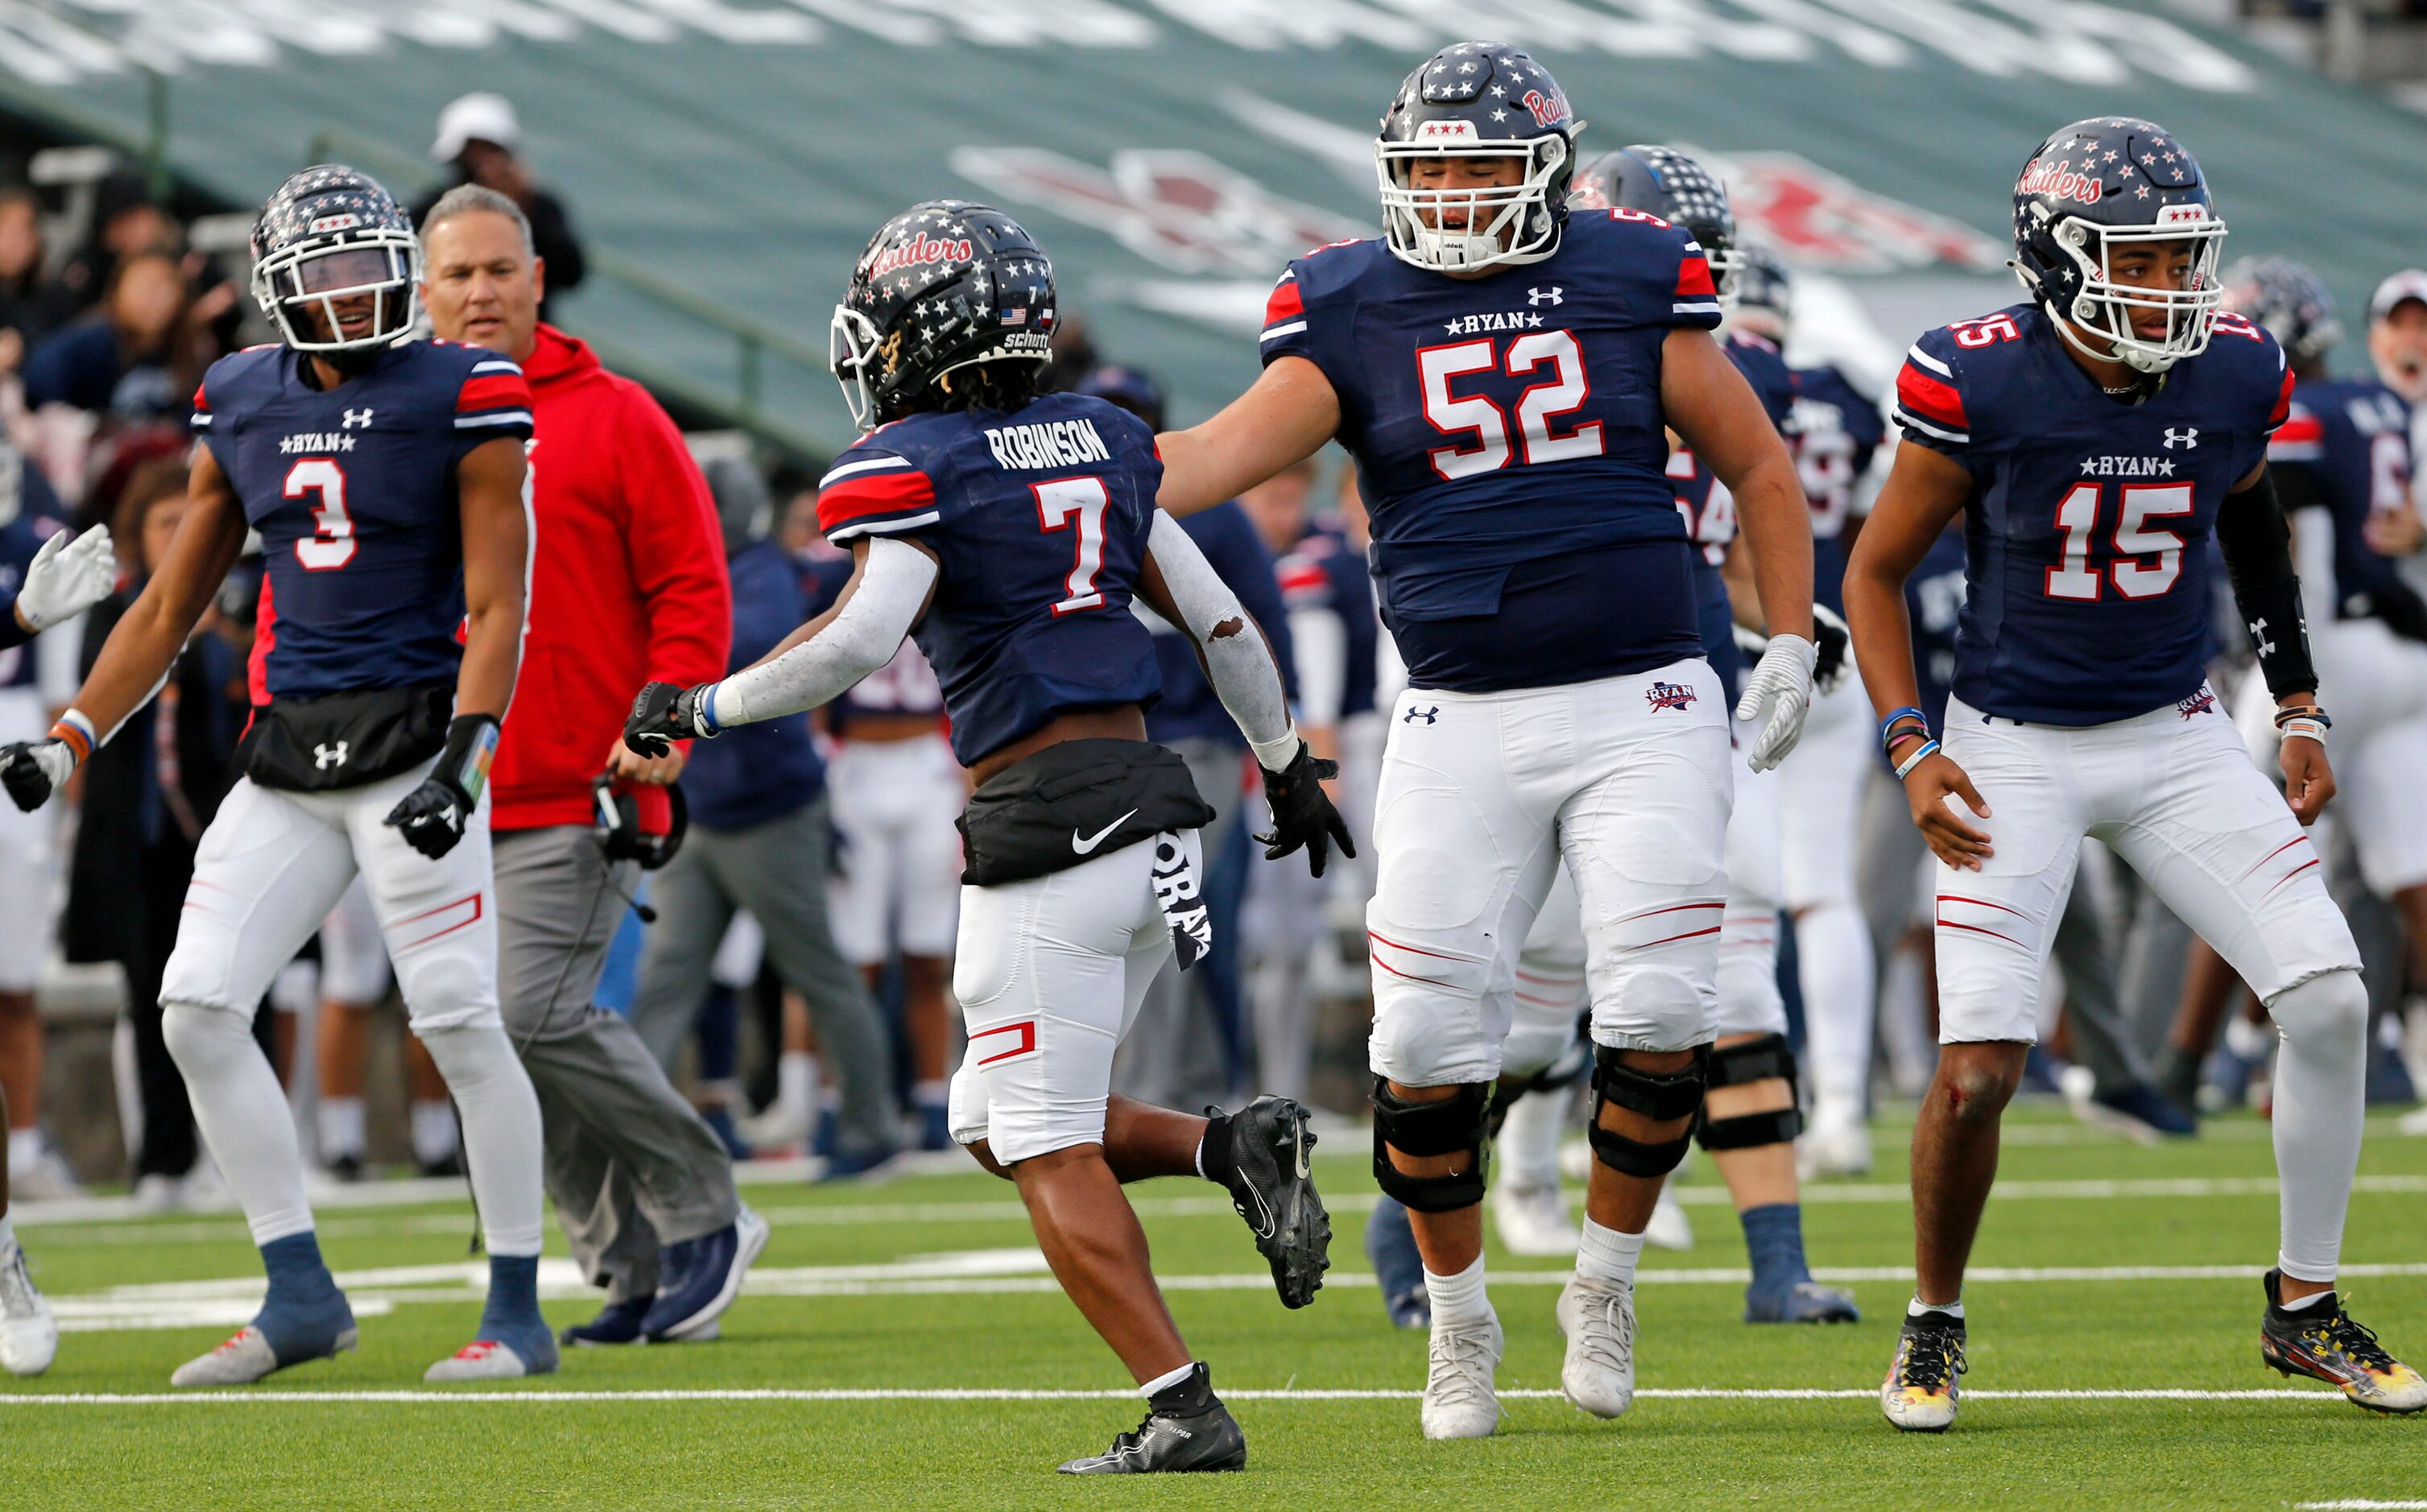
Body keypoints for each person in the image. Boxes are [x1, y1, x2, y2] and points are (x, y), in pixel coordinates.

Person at [1151, 47, 1819, 1438]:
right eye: (1429, 168)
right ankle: (1458, 1323)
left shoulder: (1636, 273)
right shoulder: (1345, 302)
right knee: (1421, 1043)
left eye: (1477, 166)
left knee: (1654, 1017)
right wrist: (1049, 451)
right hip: (1456, 714)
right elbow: (1209, 457)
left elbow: (1755, 462)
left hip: (1642, 696)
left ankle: (1604, 1277)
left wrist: (1796, 638)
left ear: (1550, 173)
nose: (1450, 194)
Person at [626, 200, 1346, 1474]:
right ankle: (1227, 1145)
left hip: (1048, 829)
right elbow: (1225, 624)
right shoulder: (1106, 442)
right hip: (1155, 813)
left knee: (1039, 1136)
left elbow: (854, 639)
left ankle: (1181, 1406)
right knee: (984, 1110)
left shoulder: (921, 464)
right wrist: (1287, 767)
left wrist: (702, 705)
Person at [1846, 118, 2425, 1429]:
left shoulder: (2227, 372)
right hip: (2006, 746)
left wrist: (2293, 706)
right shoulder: (1975, 377)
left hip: (2170, 735)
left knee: (2328, 1001)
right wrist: (1908, 744)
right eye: (2142, 260)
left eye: (2181, 259)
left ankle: (2300, 1302)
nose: (2173, 287)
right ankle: (1930, 1316)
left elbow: (2248, 528)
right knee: (1978, 1067)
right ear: (2055, 258)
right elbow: (1872, 571)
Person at [0, 165, 555, 1385]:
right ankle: (297, 1287)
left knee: (460, 1021)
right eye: (330, 274)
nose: (356, 298)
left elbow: (499, 597)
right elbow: (167, 601)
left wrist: (468, 754)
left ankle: (517, 1306)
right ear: (277, 290)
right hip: (290, 748)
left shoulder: (466, 390)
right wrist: (73, 736)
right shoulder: (240, 395)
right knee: (196, 1004)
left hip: (413, 742)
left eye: (373, 270)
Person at [418, 184, 764, 1348]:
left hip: (583, 774)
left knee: (534, 1010)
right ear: (423, 291)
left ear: (536, 278)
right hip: (441, 791)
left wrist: (662, 732)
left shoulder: (617, 415)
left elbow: (692, 589)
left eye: (496, 270)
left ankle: (703, 1204)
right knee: (493, 1029)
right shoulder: (399, 419)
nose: (478, 291)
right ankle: (622, 1259)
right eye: (456, 273)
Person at [624, 459, 903, 1182]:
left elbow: (746, 648)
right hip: (702, 814)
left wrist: (659, 645)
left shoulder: (758, 571)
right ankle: (627, 1137)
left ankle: (872, 1126)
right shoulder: (689, 571)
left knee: (817, 970)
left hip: (770, 815)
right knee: (667, 981)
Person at [795, 456, 965, 1152]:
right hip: (857, 768)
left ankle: (932, 1102)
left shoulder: (947, 559)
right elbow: (806, 672)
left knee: (930, 953)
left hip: (927, 764)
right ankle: (845, 1104)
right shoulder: (821, 575)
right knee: (856, 959)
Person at [412, 95, 585, 321]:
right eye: (473, 152)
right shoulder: (433, 210)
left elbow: (570, 273)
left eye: (489, 149)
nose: (484, 164)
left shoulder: (540, 206)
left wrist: (522, 208)